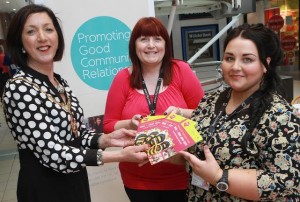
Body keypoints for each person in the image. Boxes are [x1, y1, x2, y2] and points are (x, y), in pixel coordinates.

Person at [2, 4, 149, 202]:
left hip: (74, 180)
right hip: (45, 188)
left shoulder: (59, 81)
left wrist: (108, 140)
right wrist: (119, 156)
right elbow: (52, 153)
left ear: (57, 37)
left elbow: (77, 134)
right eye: (31, 31)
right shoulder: (19, 88)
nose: (42, 37)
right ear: (20, 42)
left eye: (48, 29)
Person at [165, 23, 300, 201]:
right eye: (229, 58)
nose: (235, 67)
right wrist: (159, 149)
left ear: (266, 64)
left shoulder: (280, 115)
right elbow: (193, 155)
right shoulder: (209, 101)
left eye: (247, 59)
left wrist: (218, 177)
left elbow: (284, 181)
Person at [103, 17, 204, 202]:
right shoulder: (123, 78)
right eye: (144, 39)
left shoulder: (181, 71)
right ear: (134, 45)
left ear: (166, 44)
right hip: (137, 178)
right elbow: (108, 125)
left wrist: (181, 115)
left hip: (181, 174)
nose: (151, 45)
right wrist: (130, 124)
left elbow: (205, 117)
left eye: (157, 39)